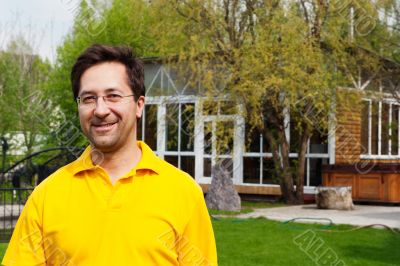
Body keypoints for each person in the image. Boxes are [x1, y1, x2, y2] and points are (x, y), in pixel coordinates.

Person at [2, 44, 217, 265]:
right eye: (88, 99)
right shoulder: (45, 198)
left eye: (113, 96)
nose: (101, 110)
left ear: (139, 105)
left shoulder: (184, 193)